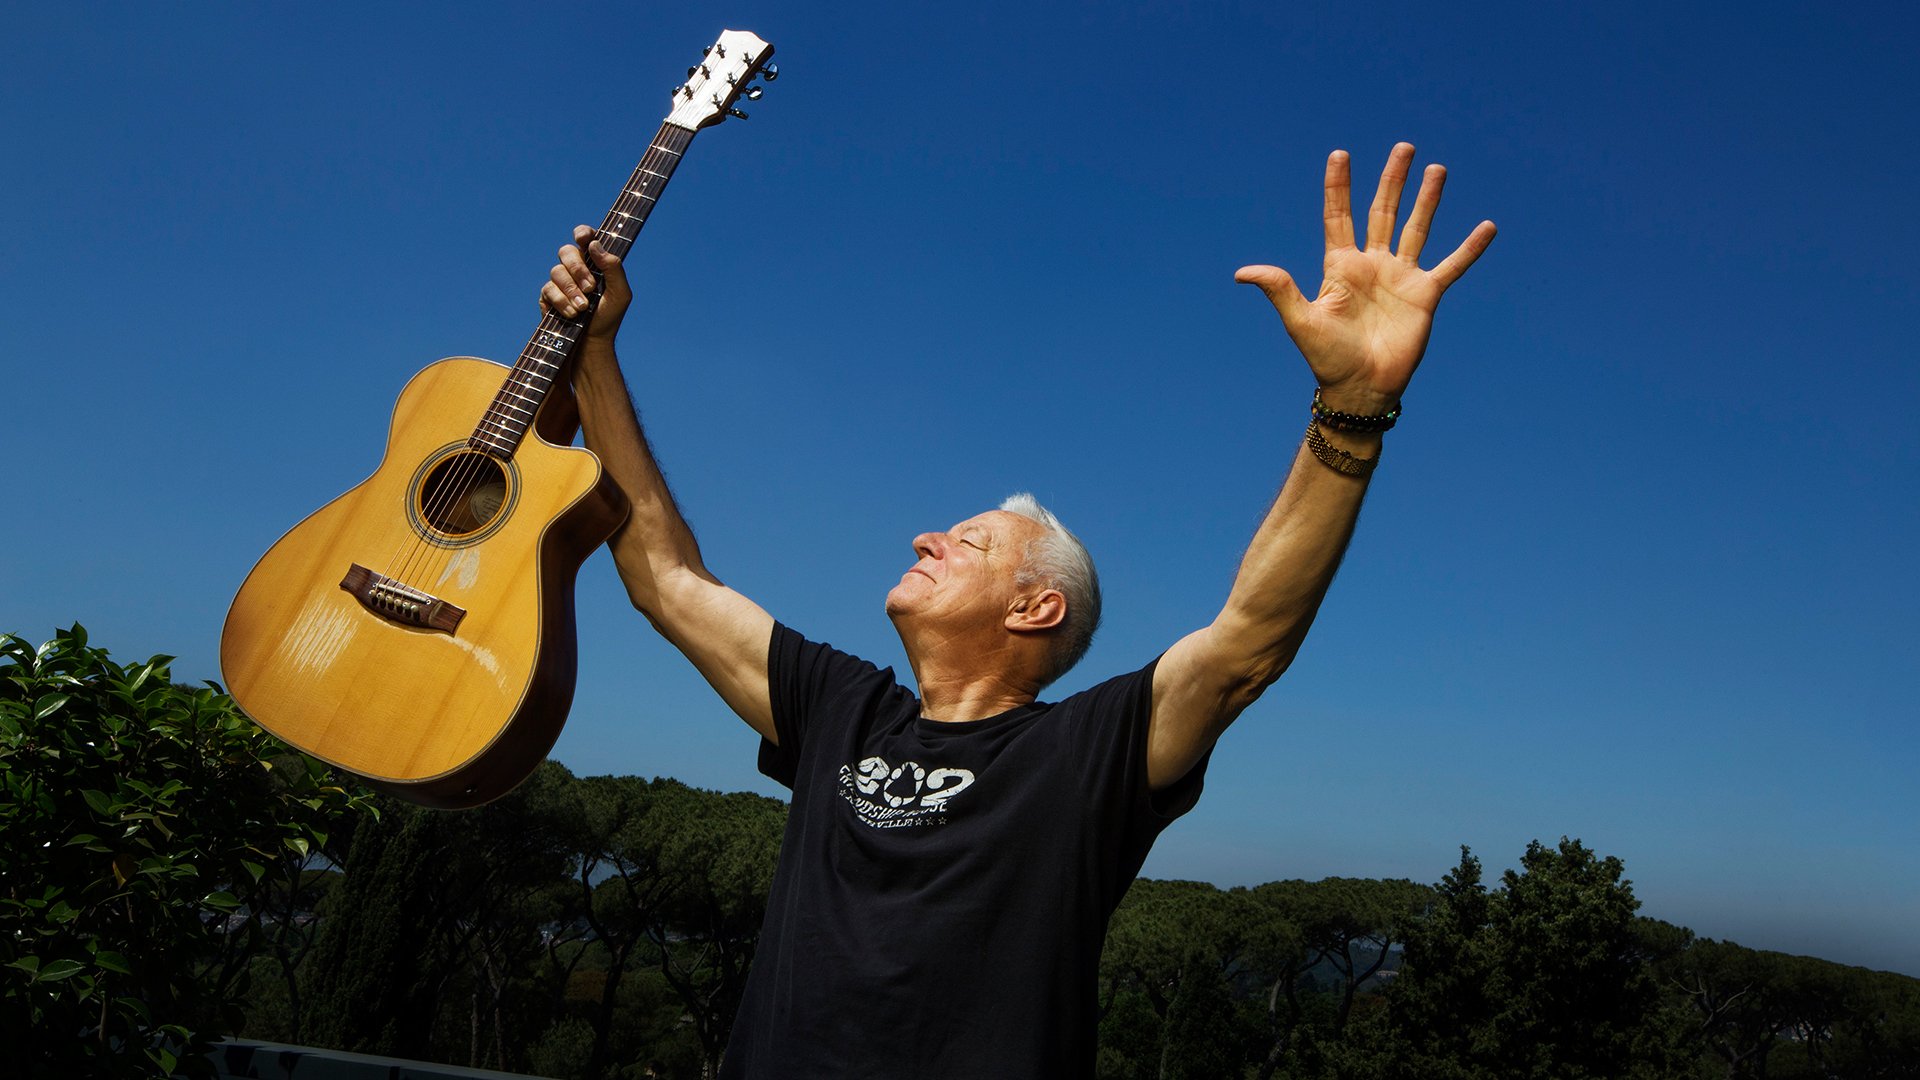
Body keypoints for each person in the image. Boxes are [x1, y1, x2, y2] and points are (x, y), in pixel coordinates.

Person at [538, 143, 1494, 1078]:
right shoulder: (840, 707)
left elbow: (1249, 640)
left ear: (1037, 609)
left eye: (970, 540)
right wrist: (595, 356)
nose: (926, 538)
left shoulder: (1088, 755)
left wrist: (1353, 407)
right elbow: (665, 577)